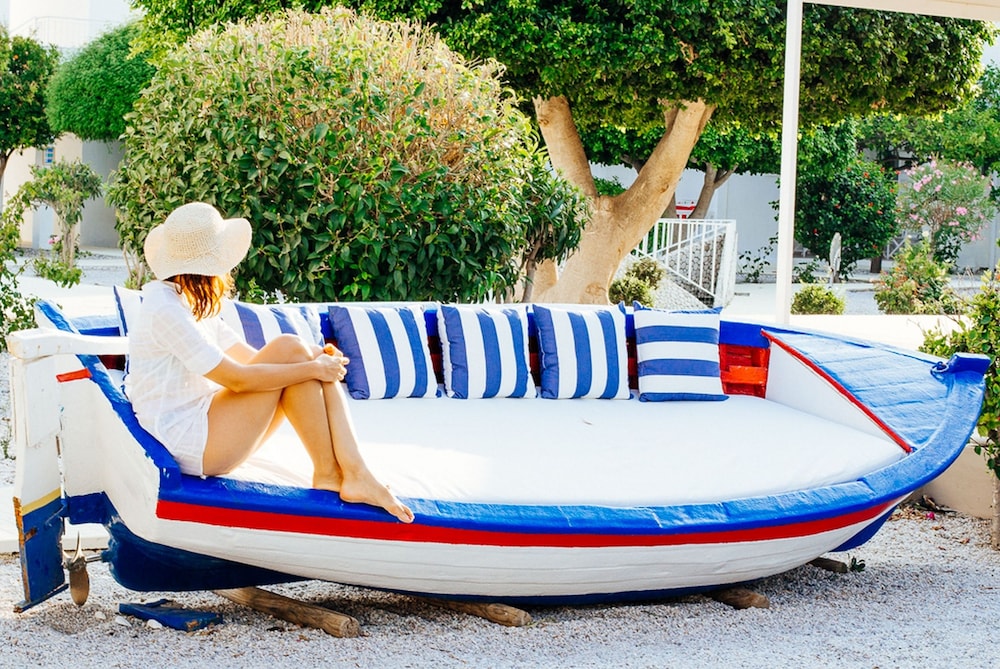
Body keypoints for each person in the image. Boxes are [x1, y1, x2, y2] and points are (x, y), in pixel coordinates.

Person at [125, 202, 413, 523]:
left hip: (205, 427)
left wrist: (316, 358)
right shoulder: (165, 310)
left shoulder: (186, 300)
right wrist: (312, 368)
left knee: (296, 352)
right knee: (293, 353)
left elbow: (251, 360)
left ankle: (349, 472)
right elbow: (237, 379)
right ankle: (343, 473)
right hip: (189, 442)